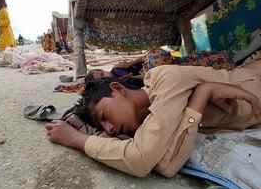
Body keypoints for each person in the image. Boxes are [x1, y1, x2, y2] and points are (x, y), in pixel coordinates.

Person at [45, 59, 261, 178]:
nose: (109, 129)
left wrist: (77, 140)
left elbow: (140, 159)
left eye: (104, 117)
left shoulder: (167, 80)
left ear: (117, 88)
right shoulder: (149, 118)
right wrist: (202, 96)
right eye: (103, 126)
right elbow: (167, 166)